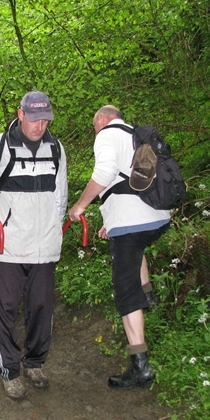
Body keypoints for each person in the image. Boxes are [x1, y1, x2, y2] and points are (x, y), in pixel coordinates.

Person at [0, 91, 68, 399]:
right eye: (34, 119)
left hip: (43, 245)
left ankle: (35, 363)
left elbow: (60, 196)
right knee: (5, 307)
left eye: (45, 120)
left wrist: (52, 228)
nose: (40, 126)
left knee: (40, 307)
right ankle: (9, 370)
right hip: (6, 244)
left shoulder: (56, 149)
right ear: (21, 114)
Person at [68, 105, 171, 389]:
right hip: (158, 217)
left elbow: (105, 172)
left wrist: (79, 206)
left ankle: (141, 366)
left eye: (94, 126)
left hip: (132, 224)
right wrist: (111, 222)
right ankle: (148, 297)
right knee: (135, 248)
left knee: (125, 292)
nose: (95, 132)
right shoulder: (136, 135)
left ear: (101, 119)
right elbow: (128, 182)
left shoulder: (107, 135)